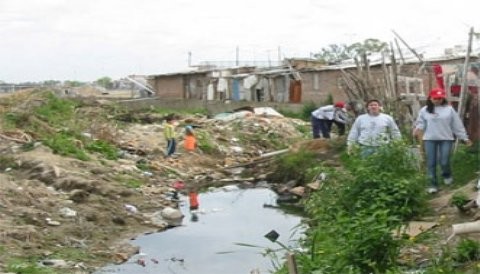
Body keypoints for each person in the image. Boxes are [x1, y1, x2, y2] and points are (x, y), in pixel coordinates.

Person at [413, 88, 472, 194]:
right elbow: (420, 122)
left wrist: (464, 138)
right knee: (431, 163)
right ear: (430, 98)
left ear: (443, 99)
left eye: (440, 98)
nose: (437, 100)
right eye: (435, 98)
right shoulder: (424, 110)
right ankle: (432, 184)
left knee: (444, 161)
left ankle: (446, 174)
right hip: (429, 139)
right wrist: (417, 128)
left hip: (446, 138)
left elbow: (457, 125)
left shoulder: (449, 109)